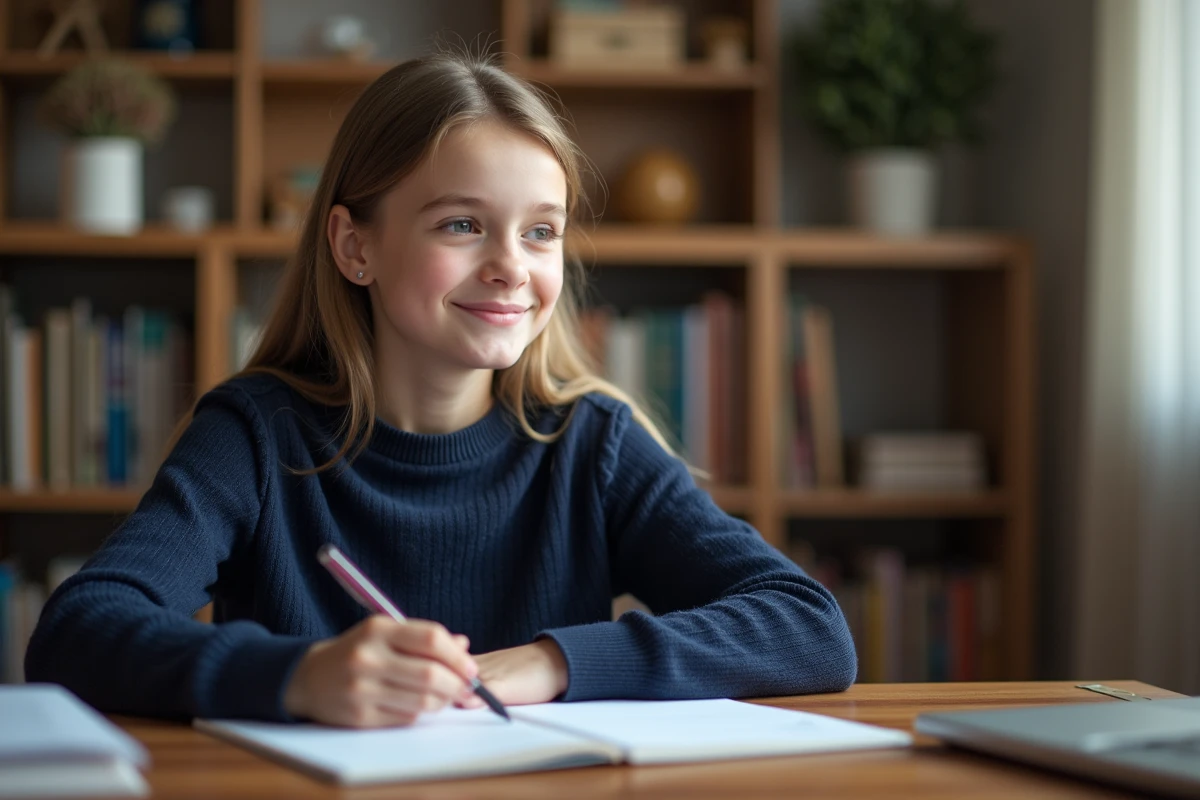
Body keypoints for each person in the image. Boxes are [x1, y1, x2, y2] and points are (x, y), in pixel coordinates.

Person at [25, 50, 856, 728]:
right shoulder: (256, 436)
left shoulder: (591, 445)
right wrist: (299, 676)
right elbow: (77, 631)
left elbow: (809, 627)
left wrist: (551, 662)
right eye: (461, 224)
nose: (510, 267)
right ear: (355, 248)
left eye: (540, 232)